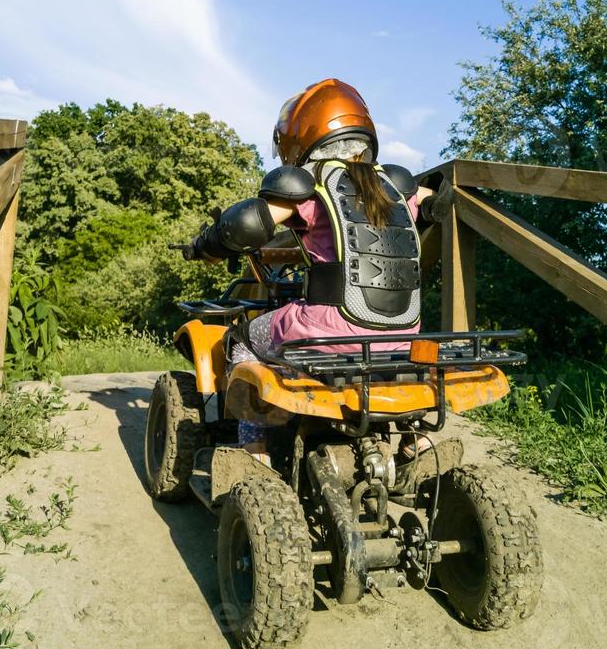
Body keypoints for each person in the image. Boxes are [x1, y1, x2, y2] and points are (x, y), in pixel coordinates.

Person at [183, 79, 441, 462]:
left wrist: (205, 246)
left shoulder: (313, 184)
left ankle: (254, 449)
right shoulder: (396, 186)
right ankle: (416, 440)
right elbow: (434, 203)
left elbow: (248, 225)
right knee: (385, 354)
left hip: (328, 328)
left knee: (240, 340)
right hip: (402, 333)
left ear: (302, 134)